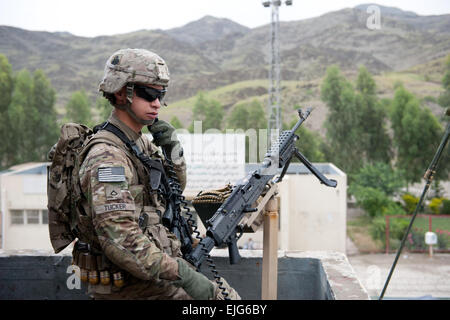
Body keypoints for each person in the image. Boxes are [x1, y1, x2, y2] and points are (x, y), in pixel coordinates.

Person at [72, 48, 240, 300]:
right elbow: (120, 239)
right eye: (149, 93)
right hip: (132, 288)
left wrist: (173, 150)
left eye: (161, 94)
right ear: (120, 92)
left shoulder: (138, 144)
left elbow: (173, 190)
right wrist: (183, 272)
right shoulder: (107, 156)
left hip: (155, 276)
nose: (157, 103)